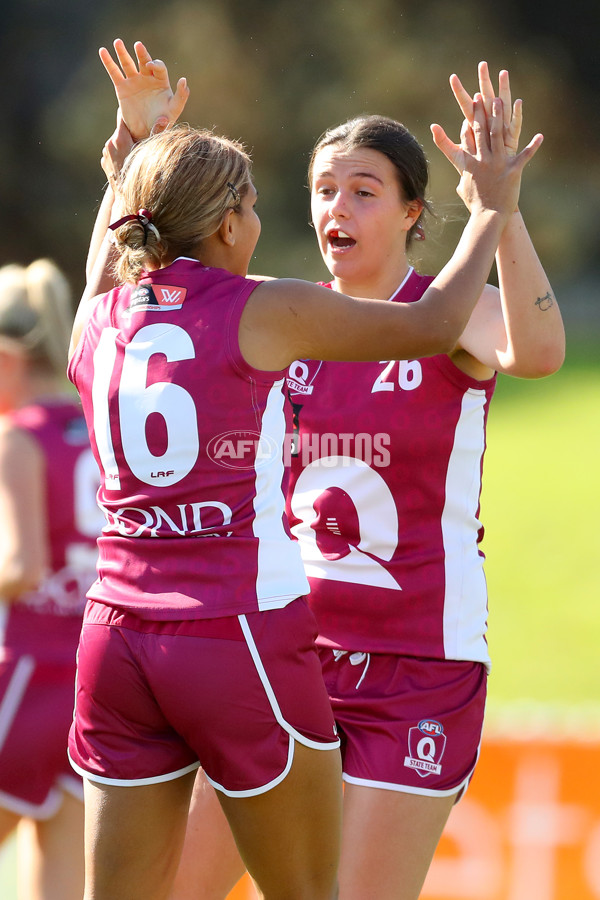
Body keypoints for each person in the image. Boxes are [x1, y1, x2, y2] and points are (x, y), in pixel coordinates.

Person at [71, 39, 541, 900]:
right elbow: (435, 322)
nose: (311, 211)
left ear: (408, 212)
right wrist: (496, 207)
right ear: (223, 226)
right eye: (273, 200)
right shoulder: (269, 313)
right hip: (249, 641)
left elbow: (114, 267)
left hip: (129, 637)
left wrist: (130, 162)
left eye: (362, 190)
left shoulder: (100, 321)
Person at [0, 259, 103, 900]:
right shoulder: (95, 427)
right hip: (93, 681)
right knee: (60, 877)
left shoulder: (18, 437)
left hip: (29, 673)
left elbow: (23, 566)